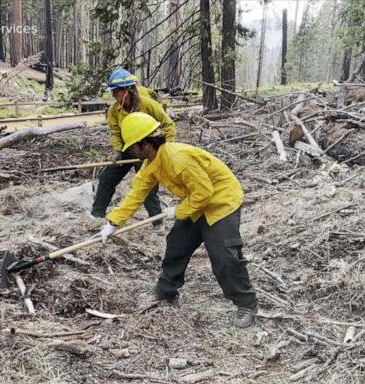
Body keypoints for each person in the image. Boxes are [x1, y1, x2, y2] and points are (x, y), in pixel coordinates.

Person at [100, 112, 258, 328]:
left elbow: (204, 192)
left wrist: (179, 210)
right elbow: (136, 194)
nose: (130, 150)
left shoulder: (178, 159)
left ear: (145, 144)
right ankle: (166, 292)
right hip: (195, 204)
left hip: (221, 202)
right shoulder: (152, 163)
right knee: (177, 244)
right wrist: (113, 223)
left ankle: (246, 304)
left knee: (224, 257)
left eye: (132, 146)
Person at [91, 69, 176, 233]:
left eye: (117, 91)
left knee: (147, 186)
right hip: (128, 148)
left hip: (147, 150)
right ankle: (97, 215)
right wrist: (117, 150)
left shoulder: (148, 105)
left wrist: (165, 148)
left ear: (128, 89)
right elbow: (115, 131)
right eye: (112, 92)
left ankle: (157, 223)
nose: (114, 95)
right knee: (106, 177)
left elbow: (168, 125)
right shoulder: (114, 110)